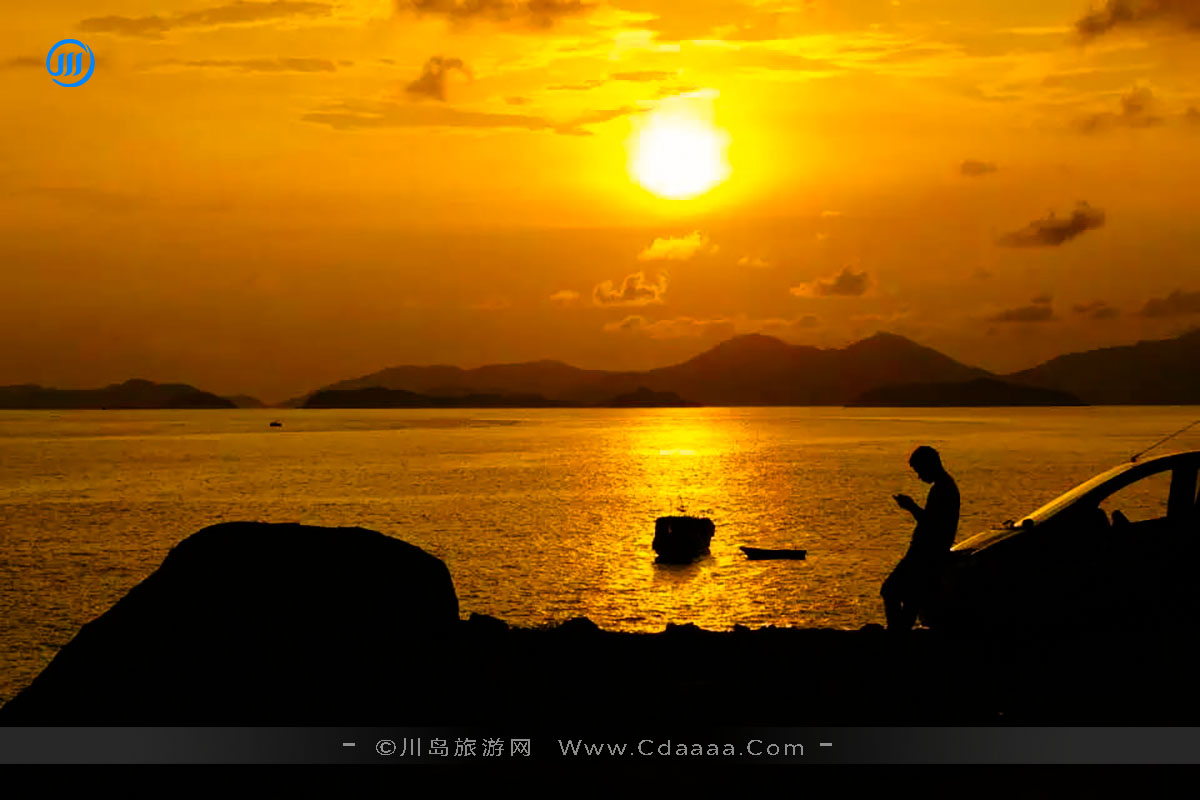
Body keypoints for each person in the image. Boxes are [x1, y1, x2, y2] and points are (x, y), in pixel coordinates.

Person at [881, 446, 959, 631]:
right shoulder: (944, 487)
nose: (919, 476)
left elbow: (932, 524)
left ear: (929, 465)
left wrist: (911, 507)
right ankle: (899, 631)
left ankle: (896, 633)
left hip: (925, 554)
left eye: (919, 470)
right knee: (911, 599)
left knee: (891, 591)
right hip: (928, 553)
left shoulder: (943, 489)